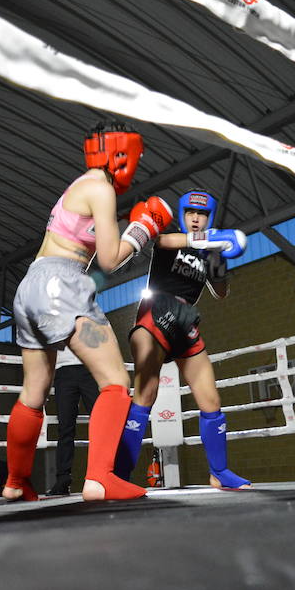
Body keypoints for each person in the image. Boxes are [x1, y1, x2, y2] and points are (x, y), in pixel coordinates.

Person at [3, 121, 172, 502]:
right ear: (122, 154)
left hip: (32, 285)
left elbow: (91, 254)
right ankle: (99, 478)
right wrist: (143, 229)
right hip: (62, 283)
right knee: (115, 381)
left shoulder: (78, 186)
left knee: (33, 391)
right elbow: (110, 261)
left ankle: (15, 481)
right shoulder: (101, 188)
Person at [113, 189, 251, 490]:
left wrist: (219, 262)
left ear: (208, 217)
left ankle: (219, 472)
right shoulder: (174, 239)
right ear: (183, 215)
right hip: (156, 311)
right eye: (191, 213)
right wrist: (210, 239)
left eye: (201, 214)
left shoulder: (211, 250)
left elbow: (221, 293)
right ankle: (120, 476)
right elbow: (162, 241)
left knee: (211, 398)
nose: (196, 218)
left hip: (186, 318)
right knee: (145, 392)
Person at [47, 346, 100, 496]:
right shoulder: (53, 321)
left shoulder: (93, 320)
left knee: (100, 424)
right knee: (65, 427)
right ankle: (63, 479)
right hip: (63, 371)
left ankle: (102, 475)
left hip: (89, 367)